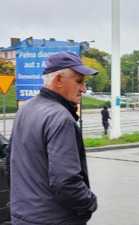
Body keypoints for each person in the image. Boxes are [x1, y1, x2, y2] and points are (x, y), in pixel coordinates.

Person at [6, 51, 98, 225]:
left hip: (22, 217)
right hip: (54, 219)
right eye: (79, 81)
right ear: (58, 80)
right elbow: (66, 181)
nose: (84, 89)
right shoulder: (61, 118)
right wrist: (89, 203)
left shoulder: (25, 109)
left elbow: (11, 166)